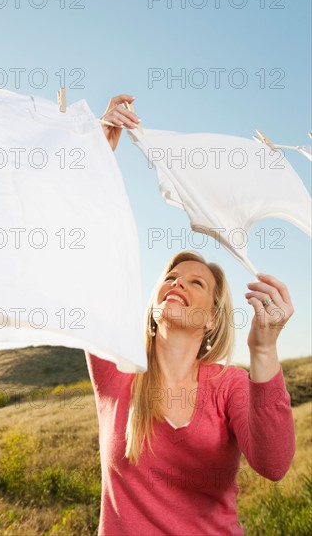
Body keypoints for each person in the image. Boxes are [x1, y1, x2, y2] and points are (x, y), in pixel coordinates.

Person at [84, 95, 296, 536]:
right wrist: (98, 161)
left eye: (196, 283)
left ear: (212, 321)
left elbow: (273, 464)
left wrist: (264, 349)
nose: (177, 283)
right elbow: (90, 263)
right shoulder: (117, 370)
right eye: (171, 277)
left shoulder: (230, 386)